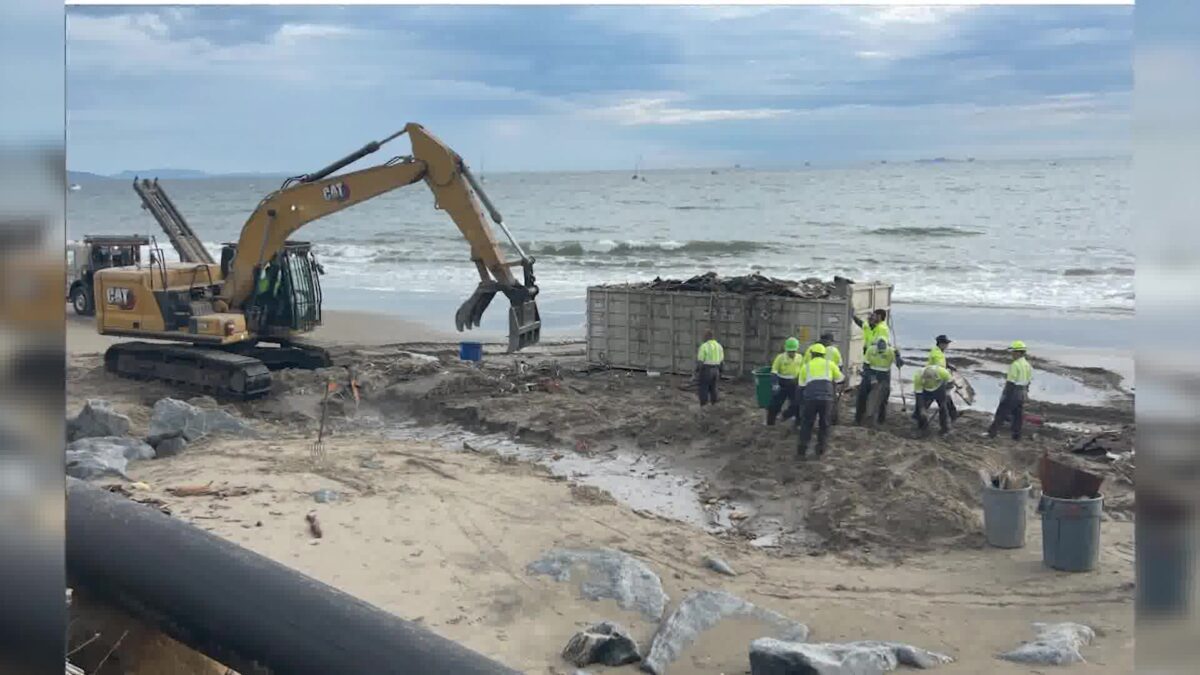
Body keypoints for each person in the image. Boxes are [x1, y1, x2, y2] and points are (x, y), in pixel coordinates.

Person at [796, 343, 844, 459]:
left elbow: (801, 386)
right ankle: (820, 450)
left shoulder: (806, 367)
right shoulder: (830, 364)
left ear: (812, 355)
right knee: (824, 424)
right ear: (824, 355)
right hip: (826, 399)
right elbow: (840, 379)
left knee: (807, 424)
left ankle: (802, 451)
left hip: (811, 399)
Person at [988, 340, 1033, 440]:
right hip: (1022, 391)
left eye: (1013, 352)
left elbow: (1010, 383)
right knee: (1018, 415)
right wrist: (1025, 394)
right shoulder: (1027, 365)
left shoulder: (1015, 365)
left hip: (1013, 391)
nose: (1012, 354)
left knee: (1001, 412)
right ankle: (1016, 436)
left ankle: (992, 433)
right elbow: (1028, 381)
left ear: (1018, 352)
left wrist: (1004, 395)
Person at [855, 334, 904, 425]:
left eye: (883, 350)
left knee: (883, 398)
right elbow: (866, 365)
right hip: (870, 373)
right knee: (862, 395)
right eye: (879, 350)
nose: (881, 352)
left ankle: (881, 420)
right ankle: (858, 419)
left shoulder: (891, 351)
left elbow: (899, 365)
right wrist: (872, 378)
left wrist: (898, 356)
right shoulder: (871, 350)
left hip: (884, 375)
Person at [804, 331, 844, 424]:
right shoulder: (833, 350)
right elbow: (840, 365)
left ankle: (807, 421)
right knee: (831, 401)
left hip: (812, 380)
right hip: (828, 381)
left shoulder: (811, 349)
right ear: (829, 341)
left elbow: (804, 364)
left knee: (809, 401)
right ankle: (832, 420)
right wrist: (837, 378)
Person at [766, 338, 803, 426]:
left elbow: (803, 370)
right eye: (790, 351)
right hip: (782, 382)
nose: (792, 353)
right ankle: (770, 423)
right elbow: (774, 371)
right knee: (775, 404)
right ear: (786, 350)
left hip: (794, 382)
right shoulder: (780, 358)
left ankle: (796, 423)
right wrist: (775, 384)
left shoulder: (800, 357)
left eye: (794, 351)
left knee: (797, 404)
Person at [921, 335, 959, 422]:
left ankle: (953, 415)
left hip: (934, 380)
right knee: (939, 401)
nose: (947, 345)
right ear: (941, 344)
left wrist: (949, 366)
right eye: (946, 343)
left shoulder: (939, 351)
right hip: (934, 381)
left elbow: (942, 364)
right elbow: (939, 368)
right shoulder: (937, 354)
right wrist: (949, 380)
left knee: (945, 399)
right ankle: (950, 418)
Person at [912, 363, 954, 435]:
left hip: (940, 388)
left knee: (943, 408)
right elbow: (919, 395)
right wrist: (922, 409)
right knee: (920, 410)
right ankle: (922, 427)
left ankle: (945, 429)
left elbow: (950, 383)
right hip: (925, 391)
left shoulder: (943, 372)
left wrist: (947, 394)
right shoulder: (918, 377)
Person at [695, 329, 725, 407]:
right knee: (714, 388)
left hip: (706, 370)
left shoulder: (704, 346)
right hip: (716, 370)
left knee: (704, 387)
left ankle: (704, 406)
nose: (703, 337)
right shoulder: (719, 346)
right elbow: (722, 361)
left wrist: (697, 371)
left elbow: (700, 361)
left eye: (704, 336)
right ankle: (714, 405)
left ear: (707, 336)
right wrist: (721, 371)